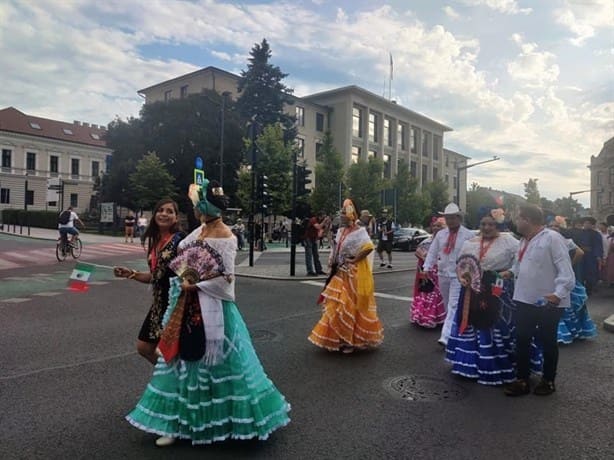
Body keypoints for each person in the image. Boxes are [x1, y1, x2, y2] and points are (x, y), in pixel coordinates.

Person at [125, 179, 290, 447]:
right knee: (179, 363)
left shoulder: (226, 236)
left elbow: (227, 282)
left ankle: (221, 420)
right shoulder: (200, 230)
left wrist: (197, 283)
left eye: (198, 205)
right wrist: (184, 277)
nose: (196, 210)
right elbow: (181, 252)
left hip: (213, 309)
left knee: (215, 365)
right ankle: (176, 423)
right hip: (184, 304)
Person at [503, 204, 575, 396]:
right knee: (522, 339)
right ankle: (522, 380)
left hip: (548, 301)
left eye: (517, 218)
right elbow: (519, 265)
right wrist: (510, 272)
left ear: (527, 219)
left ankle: (548, 380)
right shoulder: (524, 240)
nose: (515, 222)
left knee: (547, 340)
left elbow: (566, 270)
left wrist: (558, 293)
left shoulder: (552, 238)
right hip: (524, 299)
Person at [445, 208, 519, 385]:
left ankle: (493, 364)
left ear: (498, 224)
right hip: (471, 288)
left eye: (491, 224)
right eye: (483, 224)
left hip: (496, 287)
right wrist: (463, 277)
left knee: (492, 323)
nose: (487, 227)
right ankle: (469, 365)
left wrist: (510, 272)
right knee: (470, 321)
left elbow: (520, 261)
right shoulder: (470, 242)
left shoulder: (509, 241)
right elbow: (461, 263)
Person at [113, 199, 184, 365]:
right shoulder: (156, 241)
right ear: (154, 215)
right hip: (159, 304)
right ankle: (173, 376)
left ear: (176, 217)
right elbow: (155, 275)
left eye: (169, 211)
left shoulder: (180, 241)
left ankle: (178, 380)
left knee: (173, 350)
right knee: (144, 348)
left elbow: (190, 273)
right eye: (160, 210)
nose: (164, 214)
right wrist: (131, 274)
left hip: (176, 304)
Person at [308, 199, 383, 353]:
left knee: (348, 305)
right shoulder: (341, 231)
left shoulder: (359, 231)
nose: (341, 215)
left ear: (350, 215)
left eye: (343, 213)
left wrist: (355, 259)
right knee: (337, 305)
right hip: (339, 271)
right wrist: (331, 261)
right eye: (341, 212)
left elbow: (369, 247)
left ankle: (349, 340)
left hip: (351, 273)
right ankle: (339, 337)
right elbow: (336, 247)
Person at [423, 203, 474, 347]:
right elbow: (433, 251)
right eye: (447, 218)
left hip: (459, 275)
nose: (450, 221)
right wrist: (427, 267)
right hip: (443, 273)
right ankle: (454, 328)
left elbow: (472, 255)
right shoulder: (441, 234)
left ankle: (446, 336)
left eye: (452, 218)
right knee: (447, 304)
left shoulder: (468, 235)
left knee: (453, 303)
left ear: (459, 218)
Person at [546, 216, 597, 344]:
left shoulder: (565, 240)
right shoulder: (552, 240)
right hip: (551, 276)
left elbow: (580, 253)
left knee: (565, 305)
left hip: (561, 276)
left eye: (556, 226)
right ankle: (564, 333)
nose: (553, 228)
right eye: (551, 226)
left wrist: (569, 265)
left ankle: (563, 334)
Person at [410, 217, 447, 328]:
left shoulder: (447, 241)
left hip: (440, 271)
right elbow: (418, 251)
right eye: (434, 226)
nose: (435, 228)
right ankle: (424, 316)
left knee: (438, 294)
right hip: (427, 271)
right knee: (426, 292)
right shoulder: (428, 240)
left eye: (438, 226)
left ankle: (439, 317)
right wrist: (425, 258)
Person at [304, 212, 325, 276]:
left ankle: (318, 270)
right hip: (308, 238)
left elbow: (321, 231)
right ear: (319, 216)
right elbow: (318, 227)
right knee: (309, 255)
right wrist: (324, 221)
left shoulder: (319, 221)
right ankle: (310, 271)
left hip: (313, 238)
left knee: (316, 255)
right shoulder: (313, 219)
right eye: (322, 217)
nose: (323, 218)